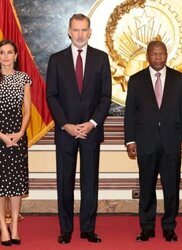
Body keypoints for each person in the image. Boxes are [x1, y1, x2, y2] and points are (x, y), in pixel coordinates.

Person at [46, 14, 111, 244]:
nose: (80, 34)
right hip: (66, 132)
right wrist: (66, 125)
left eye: (84, 30)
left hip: (91, 131)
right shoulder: (56, 60)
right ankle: (65, 230)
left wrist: (91, 123)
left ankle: (87, 229)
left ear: (90, 31)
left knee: (89, 182)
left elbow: (105, 97)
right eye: (76, 30)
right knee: (65, 182)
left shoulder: (102, 59)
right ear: (69, 31)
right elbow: (51, 96)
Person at [124, 40, 182, 242]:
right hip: (145, 142)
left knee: (172, 187)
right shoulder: (136, 80)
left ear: (166, 55)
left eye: (161, 53)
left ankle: (169, 227)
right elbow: (130, 113)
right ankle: (147, 227)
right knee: (146, 186)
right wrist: (130, 141)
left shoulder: (179, 79)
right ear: (148, 56)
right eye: (154, 54)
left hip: (172, 142)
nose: (158, 57)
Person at [0, 39, 31, 246]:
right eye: (2, 52)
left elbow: (27, 110)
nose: (6, 56)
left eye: (10, 52)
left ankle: (15, 228)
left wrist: (19, 133)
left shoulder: (23, 78)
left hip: (18, 136)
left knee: (16, 184)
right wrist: (2, 135)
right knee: (1, 185)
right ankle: (3, 227)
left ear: (16, 55)